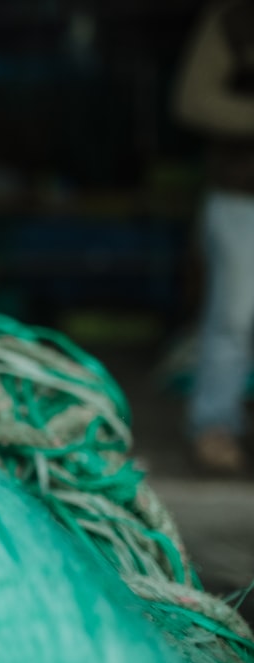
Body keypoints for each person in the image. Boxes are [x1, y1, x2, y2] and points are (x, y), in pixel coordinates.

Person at [175, 0, 254, 474]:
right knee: (232, 320)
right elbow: (192, 99)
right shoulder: (234, 18)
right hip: (241, 196)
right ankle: (215, 426)